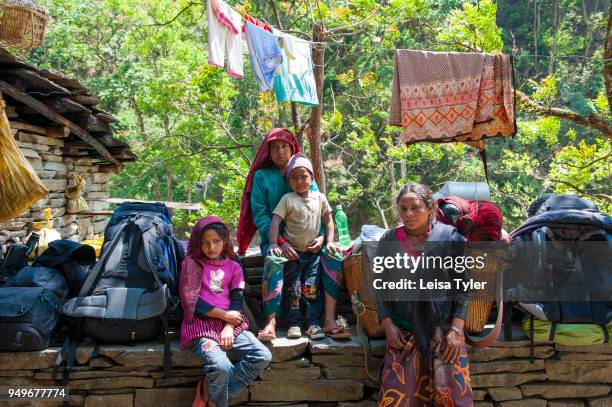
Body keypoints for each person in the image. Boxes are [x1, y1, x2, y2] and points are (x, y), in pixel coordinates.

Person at [236, 128, 349, 341]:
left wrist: (323, 237)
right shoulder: (262, 176)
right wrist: (280, 241)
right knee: (274, 258)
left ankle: (328, 320)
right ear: (268, 153)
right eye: (274, 148)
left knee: (333, 255)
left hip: (310, 241)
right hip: (276, 241)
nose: (279, 151)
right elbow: (260, 214)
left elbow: (319, 211)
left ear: (292, 149)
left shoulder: (301, 169)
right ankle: (271, 322)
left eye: (284, 146)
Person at [374, 183, 473, 406]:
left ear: (430, 209)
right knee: (397, 397)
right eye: (403, 208)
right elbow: (378, 287)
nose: (408, 214)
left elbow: (464, 288)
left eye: (415, 207)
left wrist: (457, 330)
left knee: (452, 398)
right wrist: (388, 325)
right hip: (404, 334)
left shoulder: (449, 239)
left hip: (445, 334)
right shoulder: (389, 240)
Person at [180, 216, 272, 407]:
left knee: (262, 355)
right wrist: (223, 315)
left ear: (225, 242)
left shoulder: (234, 267)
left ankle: (211, 394)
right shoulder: (190, 265)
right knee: (221, 366)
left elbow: (237, 299)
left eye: (216, 241)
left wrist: (229, 325)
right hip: (200, 326)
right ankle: (218, 402)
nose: (211, 247)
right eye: (205, 242)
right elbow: (191, 302)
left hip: (231, 323)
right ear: (197, 242)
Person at [268, 154, 340, 339]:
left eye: (304, 176)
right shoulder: (287, 199)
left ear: (312, 178)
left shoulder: (320, 198)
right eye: (294, 177)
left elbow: (329, 221)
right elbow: (275, 222)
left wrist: (328, 241)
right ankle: (294, 324)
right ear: (289, 180)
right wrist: (274, 243)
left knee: (311, 288)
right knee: (294, 288)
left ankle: (313, 324)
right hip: (293, 255)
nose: (299, 181)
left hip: (313, 255)